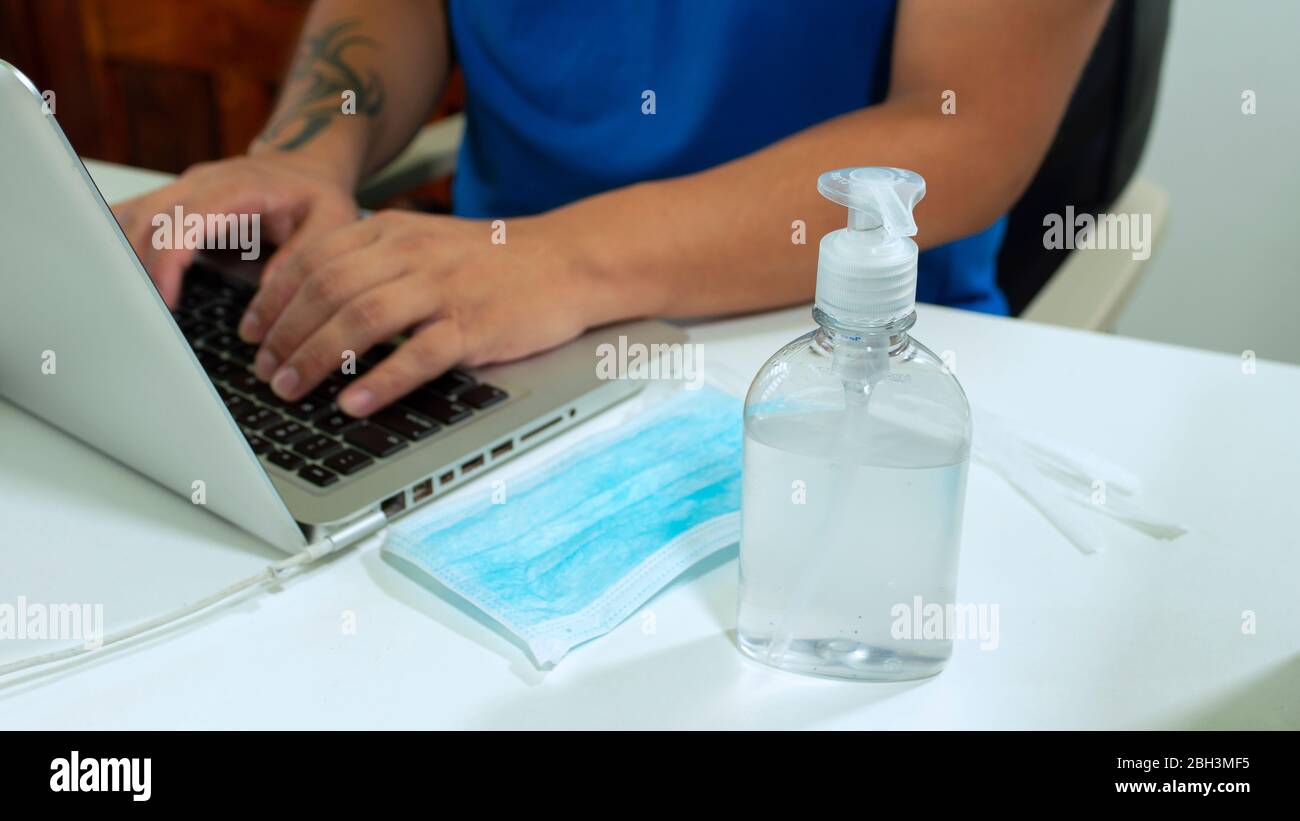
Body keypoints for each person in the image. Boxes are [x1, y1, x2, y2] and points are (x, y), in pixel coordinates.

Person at [112, 0, 1111, 418]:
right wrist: (304, 152)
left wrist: (567, 259)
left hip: (838, 369)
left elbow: (966, 123)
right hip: (468, 333)